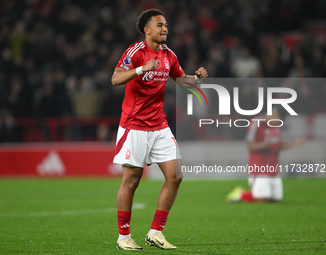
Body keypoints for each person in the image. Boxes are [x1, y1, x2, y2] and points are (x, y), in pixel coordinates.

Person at [111, 9, 208, 250]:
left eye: (165, 25)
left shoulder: (169, 55)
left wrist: (196, 78)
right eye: (159, 25)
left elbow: (182, 81)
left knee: (175, 176)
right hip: (134, 126)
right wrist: (143, 69)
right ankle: (124, 238)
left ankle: (155, 232)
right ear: (147, 29)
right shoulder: (136, 52)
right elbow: (115, 78)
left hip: (159, 125)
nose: (165, 29)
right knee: (131, 181)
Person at [227, 107, 304, 203]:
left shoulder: (276, 126)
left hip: (273, 169)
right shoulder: (257, 123)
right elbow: (250, 146)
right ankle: (240, 194)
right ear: (274, 115)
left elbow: (277, 145)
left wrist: (292, 143)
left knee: (276, 200)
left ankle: (250, 194)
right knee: (262, 199)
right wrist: (266, 144)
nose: (277, 124)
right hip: (259, 168)